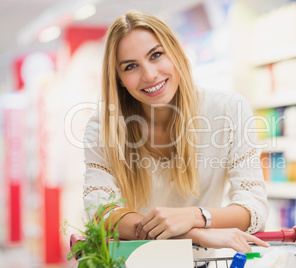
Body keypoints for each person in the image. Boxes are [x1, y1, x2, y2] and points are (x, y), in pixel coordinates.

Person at [83, 10, 269, 253]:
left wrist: (195, 216)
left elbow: (254, 207)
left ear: (176, 52)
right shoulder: (103, 128)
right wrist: (190, 234)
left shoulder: (227, 110)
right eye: (130, 66)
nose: (149, 75)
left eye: (156, 55)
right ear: (118, 79)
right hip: (136, 261)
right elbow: (100, 212)